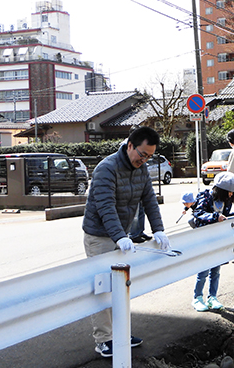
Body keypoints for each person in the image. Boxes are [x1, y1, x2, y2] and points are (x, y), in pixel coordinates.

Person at [82, 126, 171, 358]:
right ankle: (104, 340)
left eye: (149, 157)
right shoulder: (106, 168)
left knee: (122, 286)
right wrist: (120, 236)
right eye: (142, 154)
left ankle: (120, 333)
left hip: (121, 236)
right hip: (100, 236)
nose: (144, 160)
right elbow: (105, 207)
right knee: (102, 289)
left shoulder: (141, 171)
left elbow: (149, 200)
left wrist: (159, 230)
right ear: (130, 145)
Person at [191, 172, 234, 312]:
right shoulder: (206, 196)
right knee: (203, 271)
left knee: (216, 270)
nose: (231, 195)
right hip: (205, 239)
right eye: (229, 192)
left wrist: (233, 216)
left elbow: (223, 217)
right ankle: (197, 297)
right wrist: (215, 216)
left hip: (219, 239)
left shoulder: (226, 200)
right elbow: (198, 213)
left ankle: (212, 297)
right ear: (222, 190)